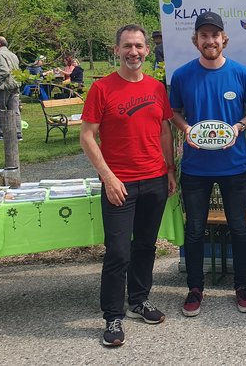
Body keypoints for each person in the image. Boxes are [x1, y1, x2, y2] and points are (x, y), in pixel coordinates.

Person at [80, 24, 177, 347]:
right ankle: (112, 316)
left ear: (147, 50)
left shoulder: (156, 89)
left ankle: (139, 300)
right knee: (118, 252)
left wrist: (170, 170)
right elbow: (87, 136)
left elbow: (165, 131)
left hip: (154, 179)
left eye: (138, 46)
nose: (133, 52)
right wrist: (107, 177)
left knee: (146, 246)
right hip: (119, 182)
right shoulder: (102, 89)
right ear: (116, 50)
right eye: (127, 46)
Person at [168, 11, 246, 317]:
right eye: (204, 35)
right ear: (196, 40)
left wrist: (238, 127)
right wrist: (185, 129)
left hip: (234, 166)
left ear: (224, 39)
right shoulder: (182, 75)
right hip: (196, 168)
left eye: (215, 35)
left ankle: (242, 286)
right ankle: (195, 288)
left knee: (239, 228)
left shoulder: (242, 73)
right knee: (195, 230)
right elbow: (174, 112)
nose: (210, 40)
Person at [0, 36, 23, 142]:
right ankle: (18, 134)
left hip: (5, 85)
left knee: (0, 109)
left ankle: (3, 133)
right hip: (16, 84)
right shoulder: (13, 55)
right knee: (15, 109)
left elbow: (4, 71)